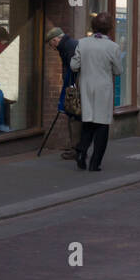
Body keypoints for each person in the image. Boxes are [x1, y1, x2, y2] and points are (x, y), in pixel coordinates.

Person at [71, 12, 123, 171]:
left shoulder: (82, 43)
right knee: (101, 125)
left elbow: (74, 65)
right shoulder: (113, 47)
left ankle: (81, 151)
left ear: (93, 27)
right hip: (103, 90)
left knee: (88, 122)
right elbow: (118, 70)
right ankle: (95, 163)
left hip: (86, 87)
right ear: (110, 28)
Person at [46, 26, 80, 158]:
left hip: (75, 87)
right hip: (75, 86)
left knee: (74, 116)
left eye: (51, 44)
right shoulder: (68, 45)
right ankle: (77, 148)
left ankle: (77, 149)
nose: (52, 48)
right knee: (74, 116)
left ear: (56, 40)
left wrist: (68, 90)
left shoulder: (68, 47)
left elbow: (72, 69)